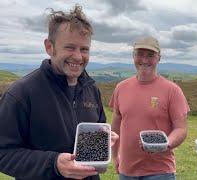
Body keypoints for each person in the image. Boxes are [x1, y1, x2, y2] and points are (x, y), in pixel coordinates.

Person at [0, 5, 118, 180]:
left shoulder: (91, 89)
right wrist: (54, 163)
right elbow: (3, 153)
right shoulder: (20, 94)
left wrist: (102, 139)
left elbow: (97, 128)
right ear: (50, 47)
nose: (78, 57)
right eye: (70, 47)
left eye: (84, 49)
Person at [109, 36, 190, 180]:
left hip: (160, 172)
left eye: (150, 55)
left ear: (159, 58)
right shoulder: (121, 88)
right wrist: (115, 156)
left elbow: (181, 129)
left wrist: (164, 144)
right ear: (133, 56)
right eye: (140, 54)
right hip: (127, 172)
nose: (144, 60)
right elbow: (115, 125)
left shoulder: (172, 90)